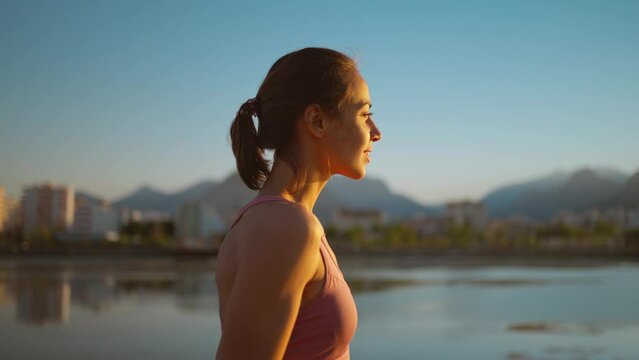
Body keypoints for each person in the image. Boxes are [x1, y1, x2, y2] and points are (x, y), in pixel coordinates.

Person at [215, 47, 382, 360]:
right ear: (317, 121)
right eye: (365, 115)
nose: (376, 133)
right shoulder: (284, 228)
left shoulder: (288, 221)